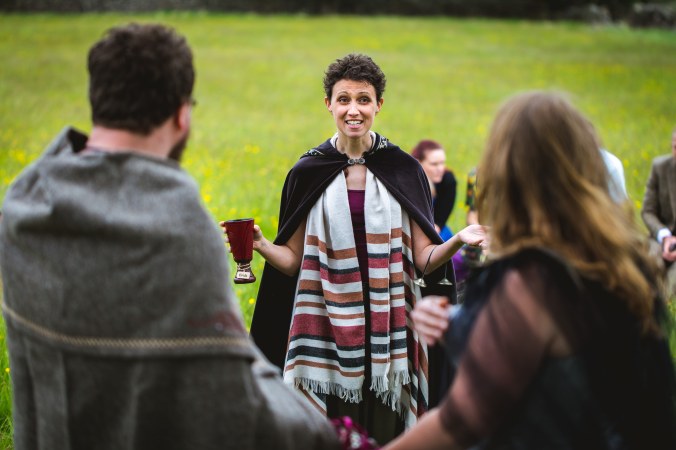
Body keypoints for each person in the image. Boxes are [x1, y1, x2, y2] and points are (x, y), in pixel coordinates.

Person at [0, 23, 339, 450]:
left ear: (98, 104)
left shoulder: (23, 206)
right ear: (182, 114)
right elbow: (232, 398)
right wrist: (327, 434)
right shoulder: (177, 230)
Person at [385, 91, 676, 450]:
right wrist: (459, 323)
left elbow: (458, 423)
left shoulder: (534, 280)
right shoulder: (626, 263)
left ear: (512, 173)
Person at [223, 53, 486, 444]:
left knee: (386, 432)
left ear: (379, 104)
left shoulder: (404, 169)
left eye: (363, 99)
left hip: (390, 333)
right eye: (344, 99)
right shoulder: (308, 171)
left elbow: (425, 259)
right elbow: (293, 263)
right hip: (325, 331)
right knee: (331, 433)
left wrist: (457, 240)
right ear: (328, 103)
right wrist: (260, 245)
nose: (353, 110)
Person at [641, 127, 676, 298]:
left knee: (672, 283)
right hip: (661, 237)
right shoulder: (660, 167)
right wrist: (664, 236)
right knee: (649, 264)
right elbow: (648, 211)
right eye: (675, 146)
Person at [411, 139, 457, 241]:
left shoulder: (448, 180)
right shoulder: (408, 181)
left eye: (442, 163)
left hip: (435, 229)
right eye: (434, 164)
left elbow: (439, 221)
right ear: (418, 163)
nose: (440, 168)